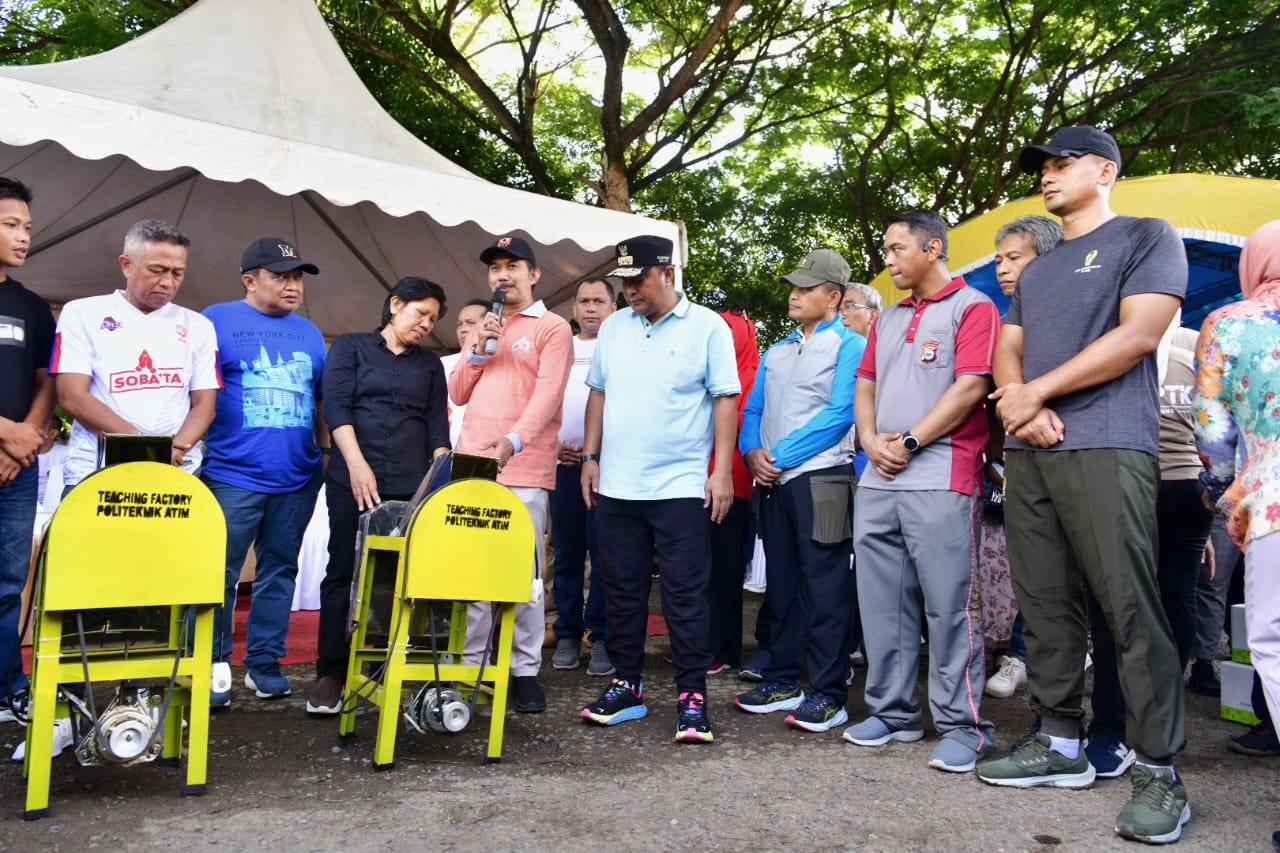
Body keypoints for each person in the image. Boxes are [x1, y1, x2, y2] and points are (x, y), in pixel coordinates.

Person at [976, 126, 1190, 845]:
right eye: (1041, 166)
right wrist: (1019, 404)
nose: (1047, 174)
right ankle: (1060, 740)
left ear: (1105, 170)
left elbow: (1139, 334)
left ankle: (1158, 768)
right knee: (1044, 602)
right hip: (1030, 448)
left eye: (1063, 163)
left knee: (1128, 604)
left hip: (1107, 439)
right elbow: (1008, 346)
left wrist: (1036, 393)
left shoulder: (1145, 235)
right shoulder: (1038, 270)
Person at [843, 210, 998, 773]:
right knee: (881, 603)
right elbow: (866, 384)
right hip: (879, 475)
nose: (887, 259)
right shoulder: (887, 318)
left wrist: (909, 441)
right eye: (886, 250)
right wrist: (869, 440)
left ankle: (963, 726)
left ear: (933, 248)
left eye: (897, 248)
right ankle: (893, 712)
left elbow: (972, 386)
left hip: (942, 473)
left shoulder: (974, 307)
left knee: (950, 606)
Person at [579, 235, 740, 744]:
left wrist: (720, 472)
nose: (630, 289)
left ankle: (692, 695)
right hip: (618, 485)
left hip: (681, 485)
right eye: (624, 280)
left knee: (685, 594)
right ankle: (627, 685)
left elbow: (725, 399)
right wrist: (589, 458)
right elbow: (598, 393)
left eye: (639, 279)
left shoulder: (708, 327)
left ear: (668, 274)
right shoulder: (614, 328)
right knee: (621, 590)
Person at [732, 249, 864, 732]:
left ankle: (829, 692)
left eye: (806, 288)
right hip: (773, 480)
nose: (794, 294)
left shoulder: (851, 345)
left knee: (826, 585)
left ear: (834, 297)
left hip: (825, 478)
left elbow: (841, 412)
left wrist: (777, 456)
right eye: (794, 286)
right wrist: (751, 452)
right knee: (782, 585)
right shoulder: (778, 351)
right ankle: (783, 679)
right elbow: (753, 410)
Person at [306, 277, 451, 715]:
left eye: (433, 319)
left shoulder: (430, 365)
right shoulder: (350, 348)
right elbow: (337, 409)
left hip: (408, 483)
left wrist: (437, 477)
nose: (426, 324)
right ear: (395, 304)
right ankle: (331, 672)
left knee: (393, 577)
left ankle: (384, 662)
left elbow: (436, 427)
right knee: (342, 569)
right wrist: (356, 464)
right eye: (420, 313)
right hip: (352, 478)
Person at [449, 235, 573, 714]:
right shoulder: (485, 323)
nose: (502, 275)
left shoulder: (552, 327)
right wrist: (479, 348)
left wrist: (514, 441)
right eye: (495, 268)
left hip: (523, 466)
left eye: (512, 266)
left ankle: (524, 669)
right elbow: (458, 391)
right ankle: (471, 665)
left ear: (533, 274)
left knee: (523, 576)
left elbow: (548, 394)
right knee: (473, 573)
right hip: (473, 464)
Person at [201, 237, 327, 703]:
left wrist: (324, 454)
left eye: (297, 277)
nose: (292, 286)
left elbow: (320, 401)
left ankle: (264, 662)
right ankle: (212, 664)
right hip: (232, 473)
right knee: (218, 572)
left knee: (280, 570)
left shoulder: (310, 333)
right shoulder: (215, 320)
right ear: (249, 280)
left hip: (297, 476)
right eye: (280, 277)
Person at [1193, 219, 1280, 848]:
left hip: (1273, 496)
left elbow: (1214, 429)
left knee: (1274, 639)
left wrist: (1219, 489)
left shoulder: (1230, 323)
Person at [52, 219, 219, 489]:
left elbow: (205, 405)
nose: (168, 282)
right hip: (96, 471)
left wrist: (175, 450)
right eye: (157, 270)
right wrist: (148, 449)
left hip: (174, 474)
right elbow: (71, 395)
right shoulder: (82, 313)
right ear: (126, 265)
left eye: (177, 273)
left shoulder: (198, 325)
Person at [980, 215, 1063, 700]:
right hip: (1014, 463)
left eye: (1015, 258)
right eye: (999, 260)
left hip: (1069, 457)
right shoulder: (1002, 325)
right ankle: (1019, 656)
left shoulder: (1073, 317)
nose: (1003, 268)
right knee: (1029, 571)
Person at [0, 177, 55, 727]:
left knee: (9, 580)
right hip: (11, 447)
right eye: (10, 224)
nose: (23, 237)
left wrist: (25, 440)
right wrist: (6, 432)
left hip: (17, 469)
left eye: (27, 228)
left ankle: (7, 684)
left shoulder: (32, 307)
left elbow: (47, 383)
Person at [549, 277, 616, 676]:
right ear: (573, 309)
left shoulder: (621, 346)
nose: (591, 308)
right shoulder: (560, 348)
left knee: (606, 554)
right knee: (567, 554)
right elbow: (542, 401)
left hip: (608, 468)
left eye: (598, 301)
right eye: (584, 301)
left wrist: (599, 452)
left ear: (612, 308)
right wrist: (553, 446)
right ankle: (568, 634)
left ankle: (602, 636)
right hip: (562, 467)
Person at [441, 298, 490, 448]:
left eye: (470, 323)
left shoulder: (501, 363)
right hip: (444, 450)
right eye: (459, 324)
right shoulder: (442, 364)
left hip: (484, 449)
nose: (463, 329)